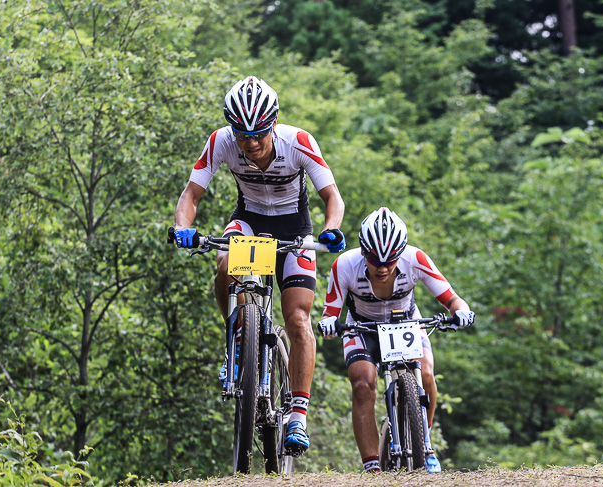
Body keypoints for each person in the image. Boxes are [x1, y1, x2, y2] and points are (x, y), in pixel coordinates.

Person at [172, 76, 346, 454]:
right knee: (223, 264)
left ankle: (298, 415)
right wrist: (181, 228)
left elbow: (332, 196)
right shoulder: (220, 141)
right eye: (242, 134)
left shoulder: (298, 141)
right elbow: (192, 193)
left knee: (298, 318)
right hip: (249, 220)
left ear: (273, 123)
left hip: (294, 229)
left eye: (258, 134)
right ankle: (236, 338)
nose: (250, 143)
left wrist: (332, 229)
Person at [317, 207, 474, 473]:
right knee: (362, 383)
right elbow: (330, 312)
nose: (382, 267)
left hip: (407, 323)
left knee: (426, 374)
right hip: (363, 327)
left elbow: (452, 299)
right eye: (374, 260)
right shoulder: (344, 264)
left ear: (401, 253)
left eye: (390, 261)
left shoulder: (416, 258)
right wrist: (329, 323)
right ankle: (371, 467)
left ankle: (426, 441)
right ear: (363, 252)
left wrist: (461, 311)